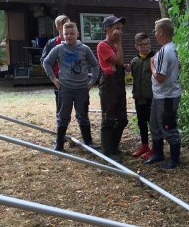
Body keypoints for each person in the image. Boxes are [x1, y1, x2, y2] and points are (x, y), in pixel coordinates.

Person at [43, 21, 100, 152]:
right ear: (63, 35)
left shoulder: (84, 49)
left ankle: (89, 143)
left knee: (83, 116)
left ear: (77, 34)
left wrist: (93, 80)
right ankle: (59, 145)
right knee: (63, 116)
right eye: (66, 34)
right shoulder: (58, 49)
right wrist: (53, 78)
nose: (69, 36)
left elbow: (95, 65)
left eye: (72, 33)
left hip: (82, 89)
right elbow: (46, 62)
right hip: (65, 89)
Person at [143, 18, 182, 169]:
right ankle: (158, 154)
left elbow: (160, 77)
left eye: (155, 31)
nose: (154, 34)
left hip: (167, 96)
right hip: (159, 95)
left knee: (168, 127)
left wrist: (151, 65)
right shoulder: (170, 48)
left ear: (160, 32)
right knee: (154, 125)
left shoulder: (166, 51)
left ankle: (174, 160)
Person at [96, 16, 128, 157]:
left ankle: (113, 147)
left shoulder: (115, 46)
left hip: (119, 82)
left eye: (121, 29)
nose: (120, 31)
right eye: (117, 28)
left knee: (122, 119)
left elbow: (120, 63)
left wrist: (124, 66)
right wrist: (119, 43)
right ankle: (107, 152)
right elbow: (119, 61)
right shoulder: (102, 45)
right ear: (108, 29)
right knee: (108, 118)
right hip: (108, 83)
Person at [129, 32, 155, 160]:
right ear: (136, 46)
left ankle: (156, 148)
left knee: (153, 122)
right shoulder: (135, 61)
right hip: (139, 97)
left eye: (147, 44)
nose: (146, 47)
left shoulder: (154, 58)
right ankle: (145, 146)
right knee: (141, 122)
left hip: (152, 97)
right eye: (142, 45)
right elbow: (133, 76)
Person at [40, 15, 70, 113]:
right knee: (61, 105)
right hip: (58, 78)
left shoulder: (74, 41)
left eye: (69, 24)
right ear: (58, 27)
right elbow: (44, 60)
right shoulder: (52, 43)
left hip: (73, 77)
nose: (67, 26)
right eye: (64, 24)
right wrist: (52, 77)